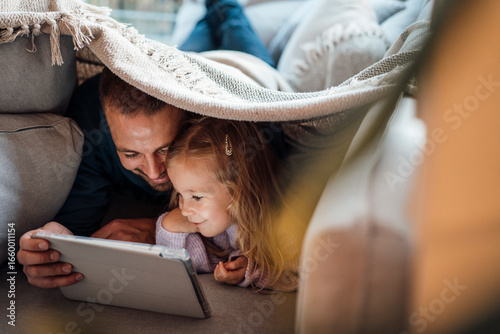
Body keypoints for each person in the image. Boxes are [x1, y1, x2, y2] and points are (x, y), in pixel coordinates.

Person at [17, 0, 284, 289]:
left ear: (191, 120)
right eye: (130, 153)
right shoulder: (92, 121)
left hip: (247, 73)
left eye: (166, 149)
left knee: (229, 17)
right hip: (187, 58)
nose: (155, 171)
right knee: (194, 35)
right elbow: (77, 227)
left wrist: (157, 228)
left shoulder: (250, 133)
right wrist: (52, 243)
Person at [156, 117, 297, 291]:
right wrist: (168, 228)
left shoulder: (284, 226)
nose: (184, 210)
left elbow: (298, 277)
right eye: (179, 194)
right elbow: (182, 268)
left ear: (238, 190)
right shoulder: (219, 225)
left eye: (197, 197)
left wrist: (250, 272)